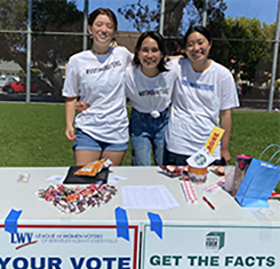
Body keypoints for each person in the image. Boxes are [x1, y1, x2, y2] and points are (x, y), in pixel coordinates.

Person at [62, 8, 133, 166]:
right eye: (99, 24)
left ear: (114, 32)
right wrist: (69, 124)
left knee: (110, 184)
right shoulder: (77, 61)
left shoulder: (122, 54)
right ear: (90, 29)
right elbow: (71, 95)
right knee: (85, 181)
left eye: (109, 26)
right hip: (88, 130)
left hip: (117, 131)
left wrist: (182, 60)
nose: (104, 30)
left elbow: (148, 63)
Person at [164, 25, 239, 166]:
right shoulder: (177, 66)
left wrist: (224, 149)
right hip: (179, 145)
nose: (196, 48)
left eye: (200, 42)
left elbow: (225, 114)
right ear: (185, 49)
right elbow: (154, 60)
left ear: (209, 44)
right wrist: (175, 57)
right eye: (190, 45)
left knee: (208, 187)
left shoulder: (222, 74)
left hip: (209, 147)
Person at [125, 31, 178, 166]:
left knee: (164, 166)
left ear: (162, 53)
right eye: (145, 50)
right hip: (139, 122)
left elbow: (187, 61)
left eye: (155, 50)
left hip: (164, 122)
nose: (149, 55)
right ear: (137, 53)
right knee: (141, 166)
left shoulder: (172, 70)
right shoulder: (129, 74)